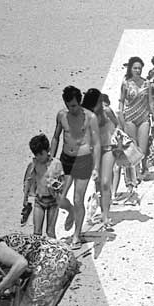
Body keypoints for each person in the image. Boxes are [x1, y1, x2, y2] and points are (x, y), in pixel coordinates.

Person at [50, 85, 100, 248]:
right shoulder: (61, 115)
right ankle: (70, 211)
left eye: (74, 105)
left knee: (78, 199)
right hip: (66, 159)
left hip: (83, 160)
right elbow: (56, 137)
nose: (72, 109)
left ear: (79, 102)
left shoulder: (90, 117)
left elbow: (97, 143)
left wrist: (96, 167)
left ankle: (76, 235)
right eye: (68, 105)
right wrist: (51, 158)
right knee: (58, 196)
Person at [81, 88, 120, 232]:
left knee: (105, 182)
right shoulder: (86, 115)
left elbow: (117, 123)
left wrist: (116, 136)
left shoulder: (106, 111)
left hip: (108, 147)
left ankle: (105, 216)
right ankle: (103, 209)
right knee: (98, 184)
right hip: (93, 150)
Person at [119, 56, 153, 191]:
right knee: (132, 148)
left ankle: (140, 170)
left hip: (144, 117)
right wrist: (121, 116)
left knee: (142, 149)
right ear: (130, 69)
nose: (138, 71)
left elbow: (150, 102)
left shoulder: (147, 83)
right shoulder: (126, 83)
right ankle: (135, 175)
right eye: (135, 68)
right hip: (130, 118)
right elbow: (121, 100)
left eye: (139, 68)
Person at [22, 134, 66, 238]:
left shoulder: (56, 164)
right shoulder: (34, 164)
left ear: (48, 150)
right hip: (39, 201)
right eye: (36, 155)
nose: (39, 157)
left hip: (53, 202)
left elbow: (62, 181)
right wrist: (25, 199)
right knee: (37, 233)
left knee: (50, 232)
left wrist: (57, 186)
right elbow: (28, 180)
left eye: (41, 154)